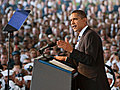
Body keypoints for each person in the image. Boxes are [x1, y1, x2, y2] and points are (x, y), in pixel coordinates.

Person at [55, 10, 110, 90]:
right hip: (86, 83)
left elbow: (90, 60)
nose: (72, 23)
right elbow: (80, 61)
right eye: (71, 20)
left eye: (75, 19)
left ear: (84, 20)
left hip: (94, 84)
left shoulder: (90, 35)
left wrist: (71, 50)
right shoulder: (82, 36)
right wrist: (64, 59)